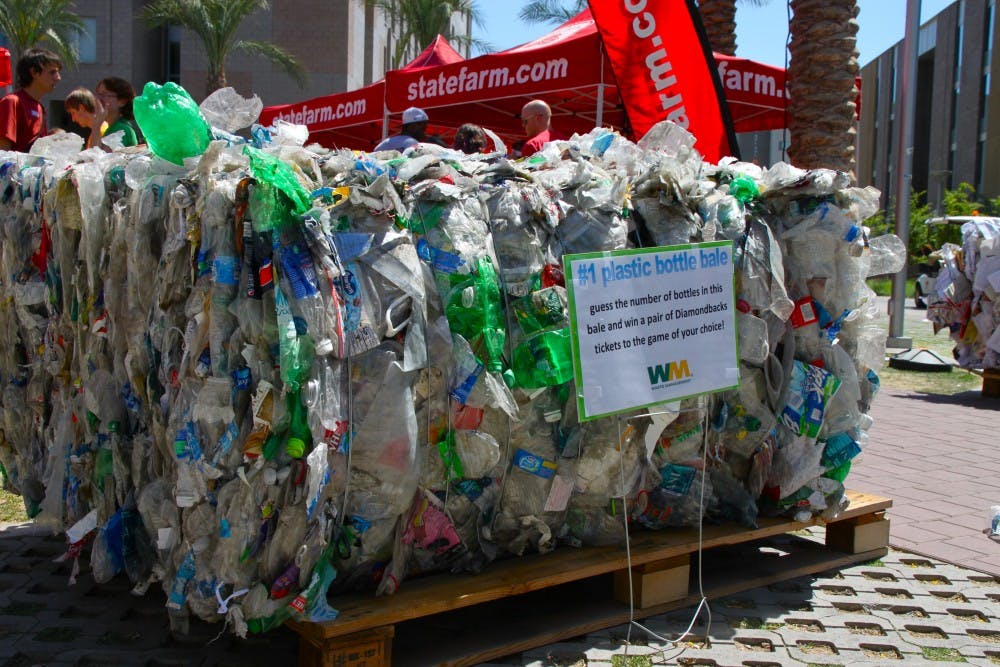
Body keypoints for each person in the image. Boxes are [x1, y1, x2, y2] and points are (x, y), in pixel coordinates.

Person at [0, 48, 62, 152]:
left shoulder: (40, 108)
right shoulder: (12, 102)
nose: (58, 78)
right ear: (34, 72)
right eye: (52, 72)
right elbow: (3, 151)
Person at [95, 77, 139, 147]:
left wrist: (96, 125)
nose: (99, 99)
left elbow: (95, 153)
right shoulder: (112, 127)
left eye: (105, 94)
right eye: (98, 94)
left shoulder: (122, 130)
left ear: (122, 102)